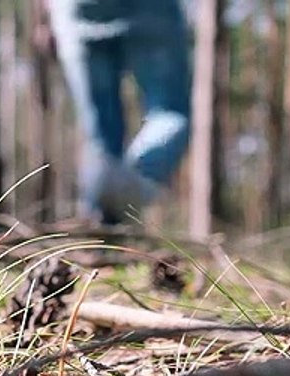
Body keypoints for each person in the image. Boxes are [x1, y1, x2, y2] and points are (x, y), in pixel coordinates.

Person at [41, 0, 192, 224]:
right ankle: (129, 185)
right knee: (170, 114)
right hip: (153, 9)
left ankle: (102, 222)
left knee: (100, 137)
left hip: (75, 8)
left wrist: (46, 17)